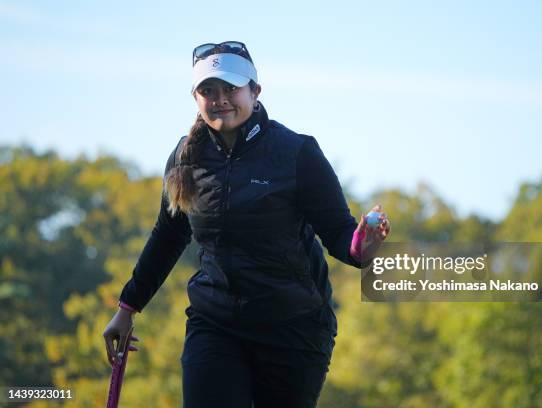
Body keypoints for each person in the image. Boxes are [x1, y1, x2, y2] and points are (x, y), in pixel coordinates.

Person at [103, 40, 391, 408]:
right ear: (195, 97)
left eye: (230, 88)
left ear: (255, 91)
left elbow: (340, 236)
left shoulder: (297, 152)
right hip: (216, 325)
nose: (220, 98)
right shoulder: (184, 158)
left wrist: (364, 246)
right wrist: (128, 308)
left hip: (294, 328)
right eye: (208, 90)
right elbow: (167, 237)